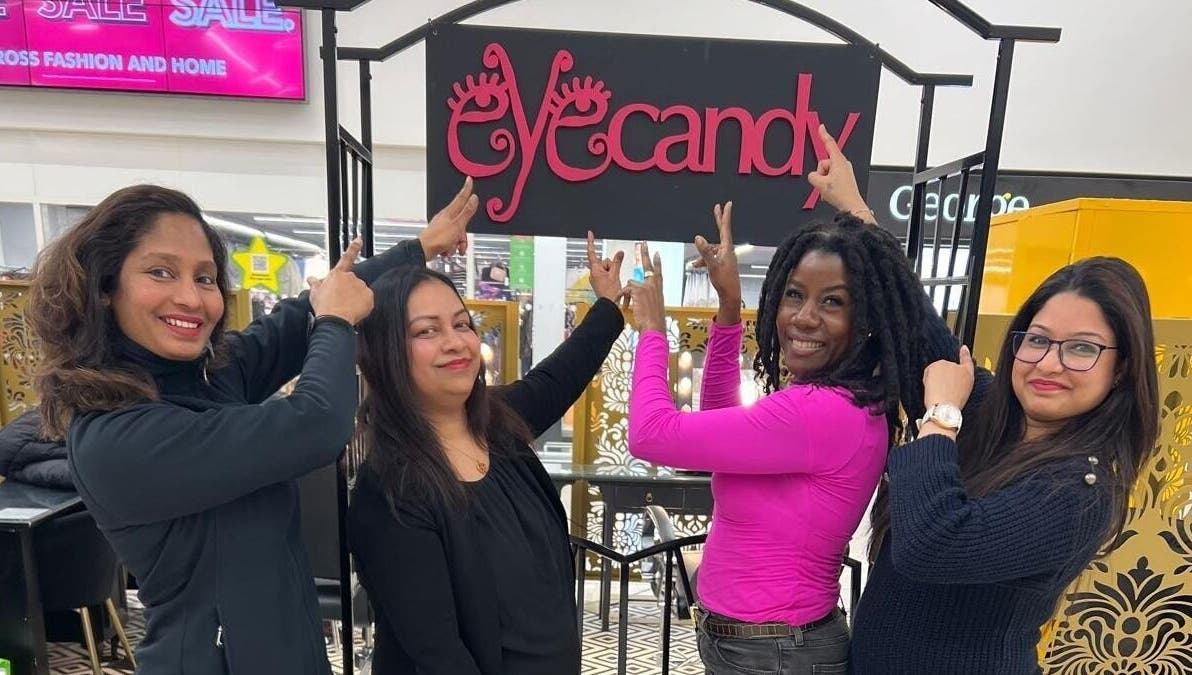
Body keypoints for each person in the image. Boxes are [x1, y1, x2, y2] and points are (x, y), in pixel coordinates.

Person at [26, 179, 479, 674]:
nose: (191, 298)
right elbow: (318, 424)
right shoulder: (117, 437)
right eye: (160, 272)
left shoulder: (207, 378)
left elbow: (294, 319)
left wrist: (419, 250)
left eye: (205, 279)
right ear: (104, 288)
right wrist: (337, 324)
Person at [619, 127, 953, 674]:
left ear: (866, 320)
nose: (803, 317)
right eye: (794, 294)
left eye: (833, 302)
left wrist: (652, 330)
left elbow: (652, 435)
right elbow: (719, 427)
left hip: (774, 653)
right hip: (762, 647)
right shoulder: (833, 401)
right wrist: (730, 309)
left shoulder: (820, 413)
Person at [849, 256, 1159, 674]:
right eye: (1037, 340)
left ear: (1121, 368)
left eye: (1082, 348)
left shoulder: (1081, 490)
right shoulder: (993, 417)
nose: (1049, 364)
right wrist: (861, 218)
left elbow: (932, 545)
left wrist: (941, 416)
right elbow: (921, 335)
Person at [347, 231, 626, 675]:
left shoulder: (499, 426)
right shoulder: (389, 492)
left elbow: (560, 375)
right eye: (427, 331)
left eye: (461, 324)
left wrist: (608, 305)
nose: (455, 342)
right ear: (384, 354)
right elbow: (441, 658)